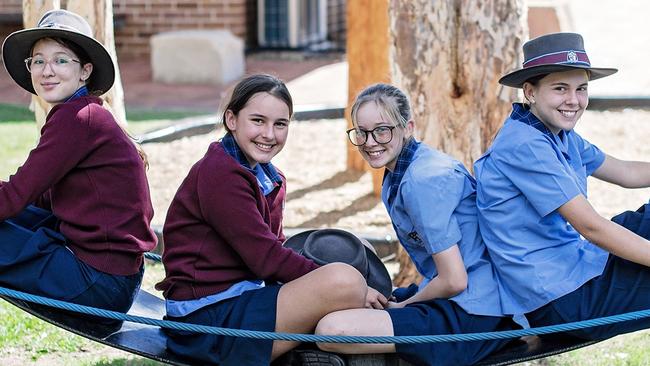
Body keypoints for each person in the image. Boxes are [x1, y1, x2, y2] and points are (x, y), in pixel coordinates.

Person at [155, 74, 370, 365]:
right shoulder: (220, 173)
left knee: (350, 264)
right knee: (344, 282)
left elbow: (275, 246)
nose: (269, 134)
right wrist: (342, 286)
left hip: (243, 299)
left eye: (280, 124)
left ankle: (308, 350)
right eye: (258, 120)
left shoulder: (270, 177)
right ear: (232, 120)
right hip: (205, 320)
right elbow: (266, 258)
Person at [314, 83, 519, 366]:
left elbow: (454, 279)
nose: (370, 142)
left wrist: (404, 306)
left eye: (382, 130)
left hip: (476, 311)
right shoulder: (398, 171)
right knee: (343, 302)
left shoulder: (423, 180)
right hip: (455, 296)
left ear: (407, 127)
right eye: (361, 132)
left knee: (332, 331)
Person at [474, 32, 650, 341]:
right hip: (560, 303)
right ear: (530, 91)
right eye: (560, 89)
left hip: (579, 265)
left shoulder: (555, 132)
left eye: (581, 89)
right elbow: (591, 227)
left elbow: (624, 172)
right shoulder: (525, 145)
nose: (574, 100)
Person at [0, 9, 156, 313]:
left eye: (60, 60)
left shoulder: (79, 119)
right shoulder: (84, 112)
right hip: (112, 277)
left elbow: (17, 195)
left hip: (99, 283)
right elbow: (40, 201)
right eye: (39, 61)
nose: (47, 70)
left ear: (84, 71)